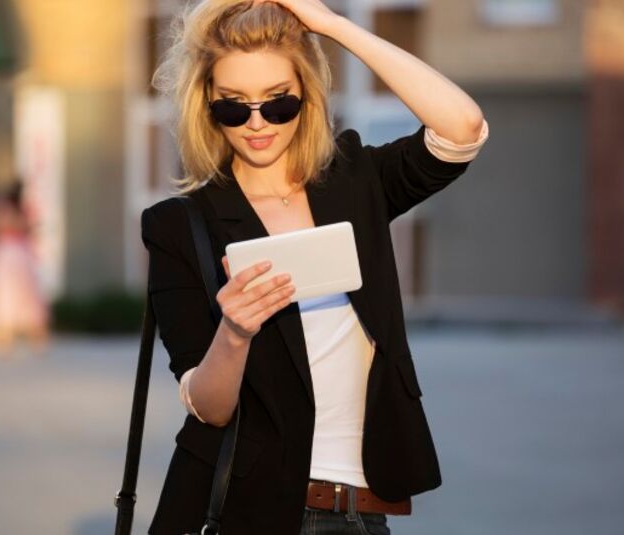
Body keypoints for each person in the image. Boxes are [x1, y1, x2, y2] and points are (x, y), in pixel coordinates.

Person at [141, 1, 489, 533]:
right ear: (206, 106)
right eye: (233, 107)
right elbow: (207, 407)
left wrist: (332, 26)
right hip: (248, 514)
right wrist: (234, 332)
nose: (257, 124)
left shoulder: (354, 182)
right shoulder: (179, 226)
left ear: (307, 96)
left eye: (278, 103)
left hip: (364, 515)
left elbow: (462, 128)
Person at [0, 179, 49, 356]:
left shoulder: (19, 207)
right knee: (7, 297)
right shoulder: (7, 208)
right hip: (12, 253)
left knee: (26, 298)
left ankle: (34, 342)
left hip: (15, 253)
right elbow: (4, 227)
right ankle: (4, 342)